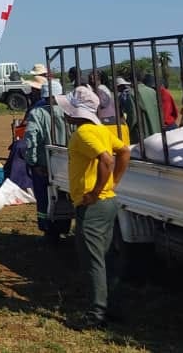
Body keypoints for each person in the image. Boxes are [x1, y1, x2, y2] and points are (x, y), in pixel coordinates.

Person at [55, 86, 130, 328]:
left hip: (94, 206)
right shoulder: (102, 131)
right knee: (107, 257)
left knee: (93, 259)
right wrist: (113, 183)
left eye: (68, 110)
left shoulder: (83, 134)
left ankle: (96, 315)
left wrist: (96, 191)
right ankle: (114, 308)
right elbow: (124, 151)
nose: (65, 114)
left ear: (76, 113)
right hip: (108, 203)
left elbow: (107, 160)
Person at [23, 75, 70, 241]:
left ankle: (48, 231)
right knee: (64, 197)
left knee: (44, 198)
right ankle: (64, 226)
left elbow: (30, 138)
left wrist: (33, 161)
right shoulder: (69, 112)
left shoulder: (37, 113)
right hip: (66, 165)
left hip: (44, 165)